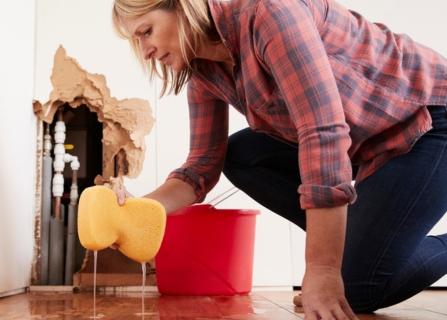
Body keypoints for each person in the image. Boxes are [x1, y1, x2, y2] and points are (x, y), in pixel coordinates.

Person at [110, 0, 447, 319]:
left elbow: (323, 133)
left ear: (182, 6)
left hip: (427, 122)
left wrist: (322, 270)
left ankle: (343, 263)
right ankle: (347, 253)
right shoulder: (205, 74)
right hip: (365, 141)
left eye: (146, 31)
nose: (145, 51)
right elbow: (201, 167)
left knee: (358, 290)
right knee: (241, 155)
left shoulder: (270, 15)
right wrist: (134, 210)